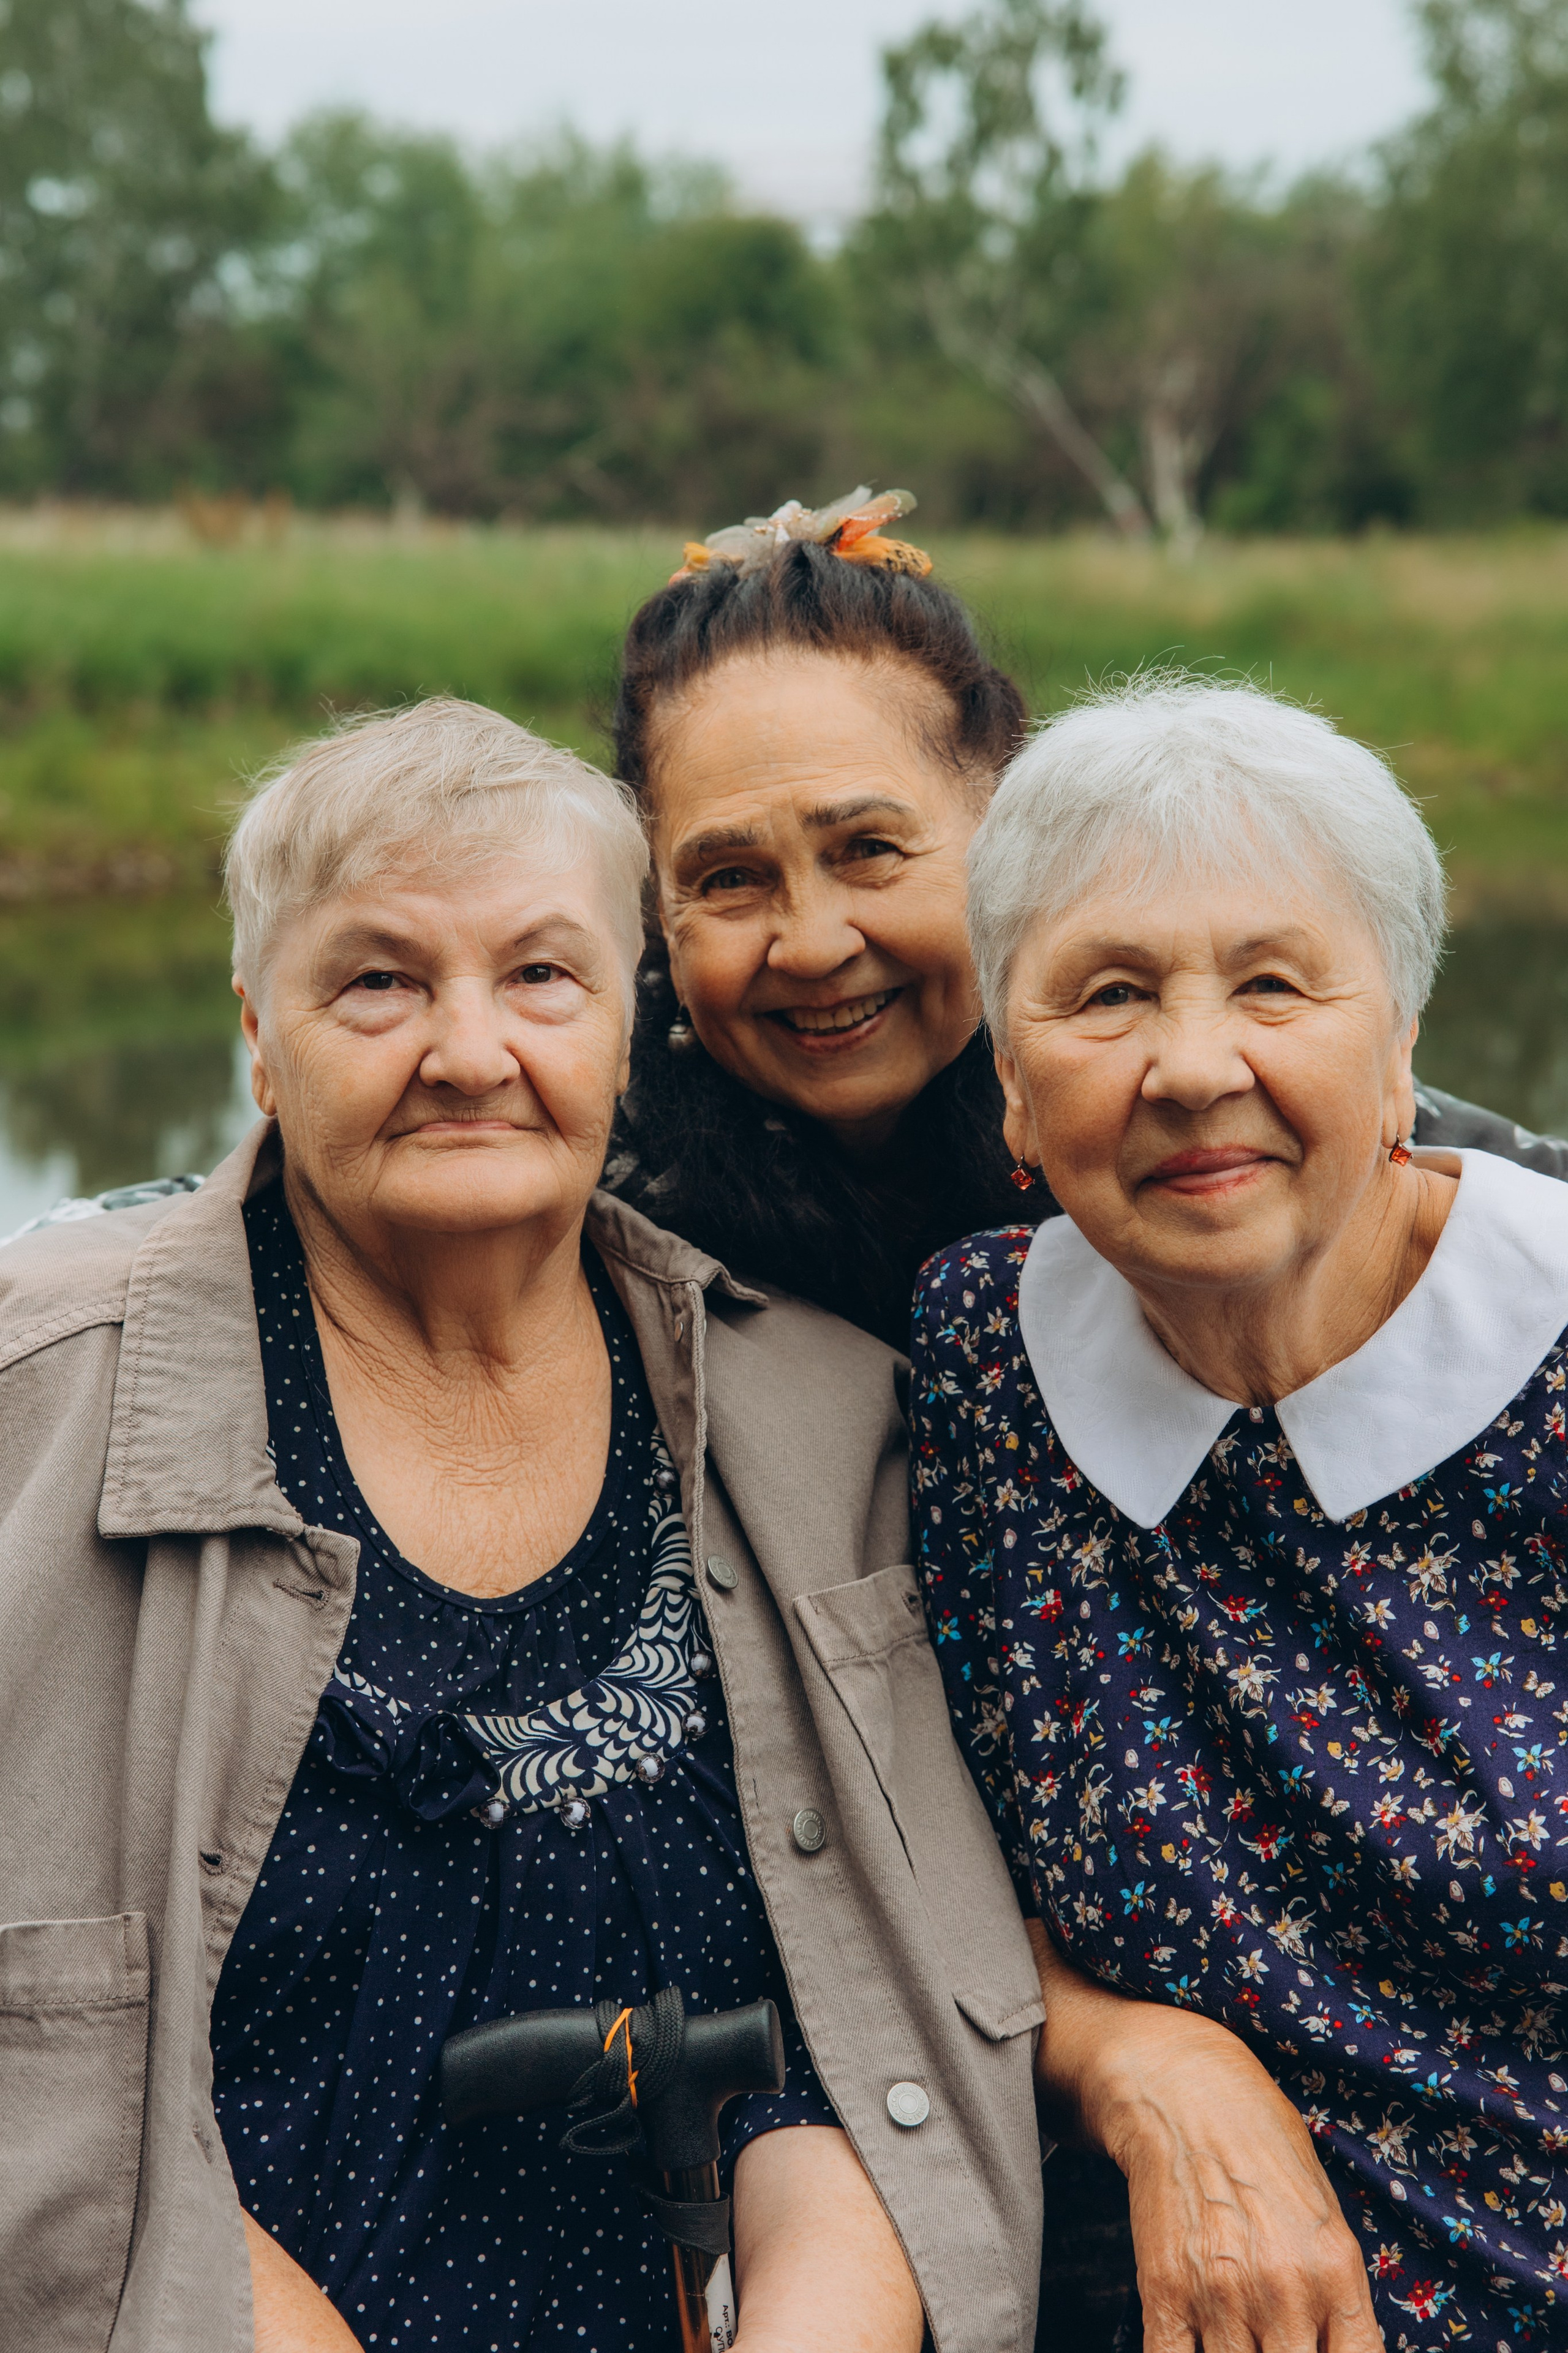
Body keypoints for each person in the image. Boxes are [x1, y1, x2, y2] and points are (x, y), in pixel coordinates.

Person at [0, 699, 1047, 2353]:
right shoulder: (38, 1405)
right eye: (378, 982)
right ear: (259, 1034)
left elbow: (885, 2012)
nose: (470, 1051)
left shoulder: (830, 1418)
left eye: (542, 976)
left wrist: (823, 2292)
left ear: (627, 1030)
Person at [914, 673, 1568, 2353]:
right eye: (1107, 996)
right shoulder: (980, 1358)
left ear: (1405, 1041)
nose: (1196, 1067)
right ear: (1005, 1079)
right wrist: (1142, 2062)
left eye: (1275, 983)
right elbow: (912, 1891)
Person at [605, 488, 1568, 1356]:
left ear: (1005, 824)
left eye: (869, 849)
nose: (813, 943)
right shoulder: (597, 1197)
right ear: (656, 904)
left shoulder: (1159, 1075)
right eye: (729, 877)